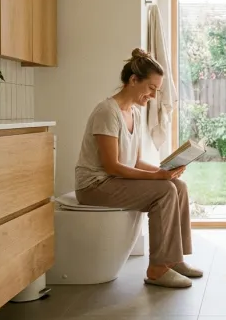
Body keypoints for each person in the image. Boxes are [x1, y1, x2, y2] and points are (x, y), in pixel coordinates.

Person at [75, 48, 202, 289]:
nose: (153, 95)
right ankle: (157, 269)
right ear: (133, 80)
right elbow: (112, 166)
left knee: (178, 186)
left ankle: (174, 259)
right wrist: (157, 177)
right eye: (151, 88)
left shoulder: (133, 112)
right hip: (94, 185)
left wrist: (165, 171)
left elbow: (134, 161)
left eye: (157, 90)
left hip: (113, 181)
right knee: (165, 190)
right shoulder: (107, 112)